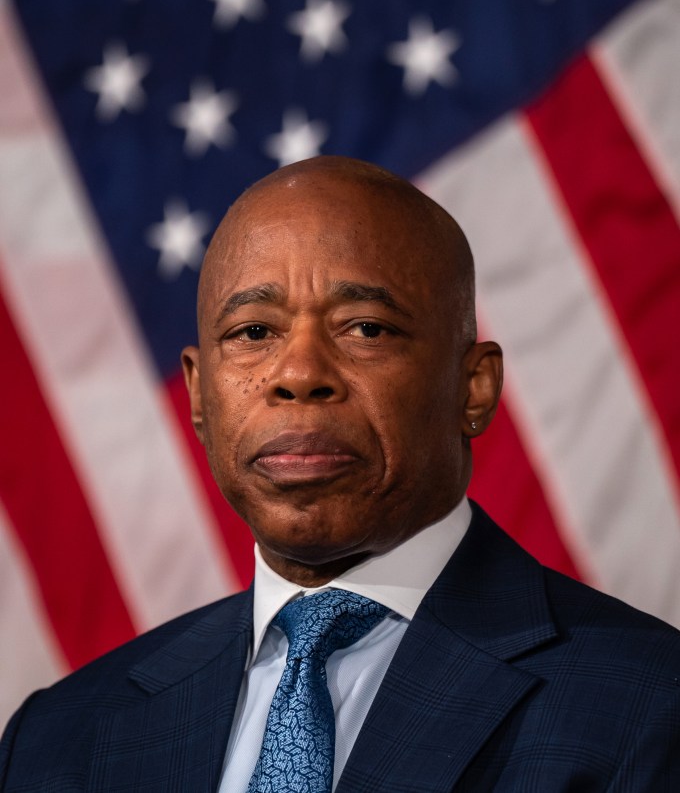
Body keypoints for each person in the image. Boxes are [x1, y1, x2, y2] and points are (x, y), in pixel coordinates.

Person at [1, 155, 679, 792]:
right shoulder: (55, 739)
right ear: (200, 394)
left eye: (366, 328)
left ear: (473, 387)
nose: (298, 374)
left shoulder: (649, 705)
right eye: (254, 333)